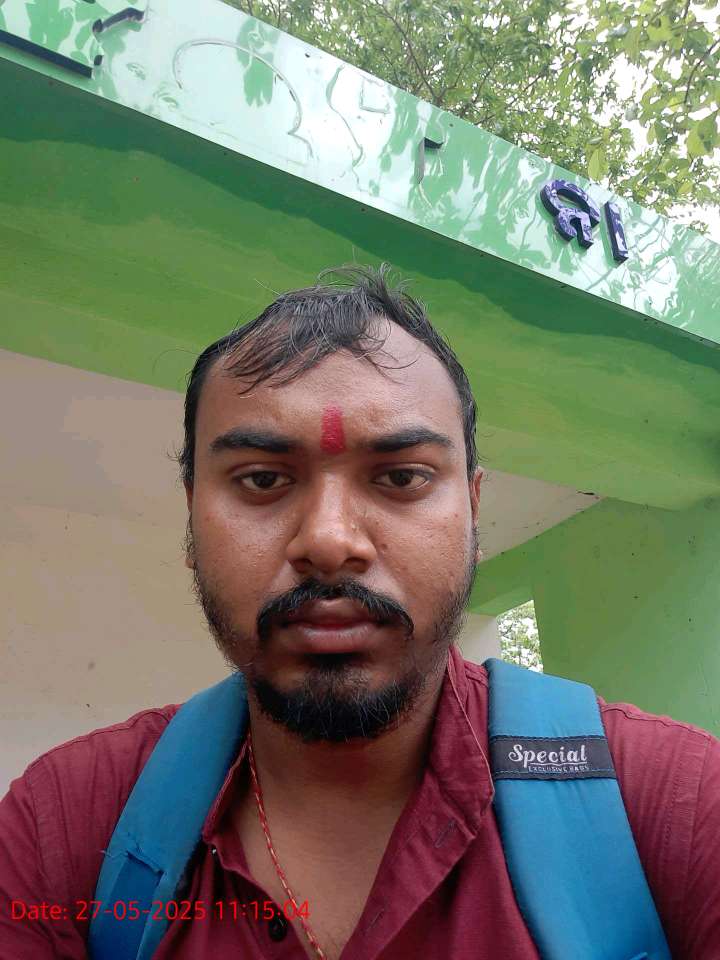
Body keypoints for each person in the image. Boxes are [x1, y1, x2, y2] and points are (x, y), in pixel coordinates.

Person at [1, 263, 719, 959]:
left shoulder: (678, 800)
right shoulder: (61, 826)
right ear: (192, 518)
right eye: (262, 479)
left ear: (473, 513)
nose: (328, 541)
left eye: (401, 477)